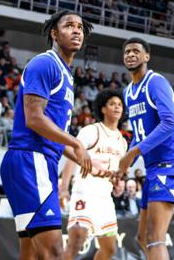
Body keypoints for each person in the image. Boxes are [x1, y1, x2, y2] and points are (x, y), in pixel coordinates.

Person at [0, 10, 92, 260]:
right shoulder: (45, 63)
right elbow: (34, 118)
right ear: (54, 33)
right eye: (69, 25)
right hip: (31, 159)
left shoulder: (66, 73)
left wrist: (81, 156)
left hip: (39, 161)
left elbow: (52, 133)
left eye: (80, 27)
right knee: (54, 253)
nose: (76, 31)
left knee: (31, 255)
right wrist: (76, 142)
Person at [115, 38, 174, 260]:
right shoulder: (128, 92)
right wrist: (124, 163)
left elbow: (170, 123)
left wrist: (133, 153)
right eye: (127, 51)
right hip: (152, 167)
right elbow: (139, 136)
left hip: (169, 162)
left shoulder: (156, 82)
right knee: (142, 237)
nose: (130, 54)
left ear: (146, 56)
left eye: (136, 51)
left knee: (155, 237)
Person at [65, 90, 127, 260]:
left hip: (105, 197)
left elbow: (114, 172)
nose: (117, 107)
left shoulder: (122, 141)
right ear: (103, 109)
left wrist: (117, 181)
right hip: (85, 190)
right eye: (112, 104)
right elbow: (72, 155)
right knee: (76, 241)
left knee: (109, 249)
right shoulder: (92, 130)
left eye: (119, 105)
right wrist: (63, 187)